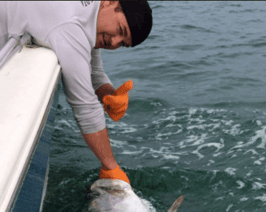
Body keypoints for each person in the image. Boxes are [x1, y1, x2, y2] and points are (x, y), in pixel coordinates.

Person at [0, 1, 153, 183]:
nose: (113, 42)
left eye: (122, 44)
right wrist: (111, 167)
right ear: (110, 2)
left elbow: (93, 70)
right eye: (120, 30)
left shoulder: (89, 13)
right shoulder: (70, 26)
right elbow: (85, 109)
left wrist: (108, 94)